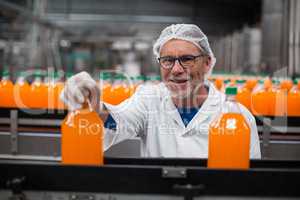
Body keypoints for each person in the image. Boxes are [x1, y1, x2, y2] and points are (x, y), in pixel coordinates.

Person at [61, 24, 261, 158]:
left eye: (187, 59)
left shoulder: (238, 116)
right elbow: (119, 121)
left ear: (207, 63)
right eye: (167, 60)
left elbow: (250, 183)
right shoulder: (148, 99)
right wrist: (94, 103)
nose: (176, 69)